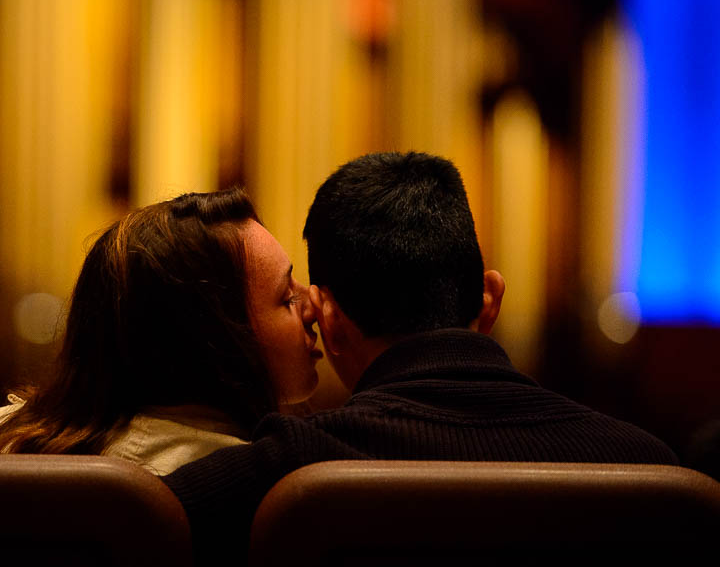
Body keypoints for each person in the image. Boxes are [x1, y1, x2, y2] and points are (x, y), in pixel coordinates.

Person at [162, 151, 679, 560]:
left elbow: (125, 526)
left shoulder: (286, 471)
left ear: (329, 318)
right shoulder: (652, 474)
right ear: (489, 298)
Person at [0, 188, 322, 475]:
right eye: (286, 297)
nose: (314, 304)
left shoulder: (1, 435)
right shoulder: (236, 479)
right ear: (211, 340)